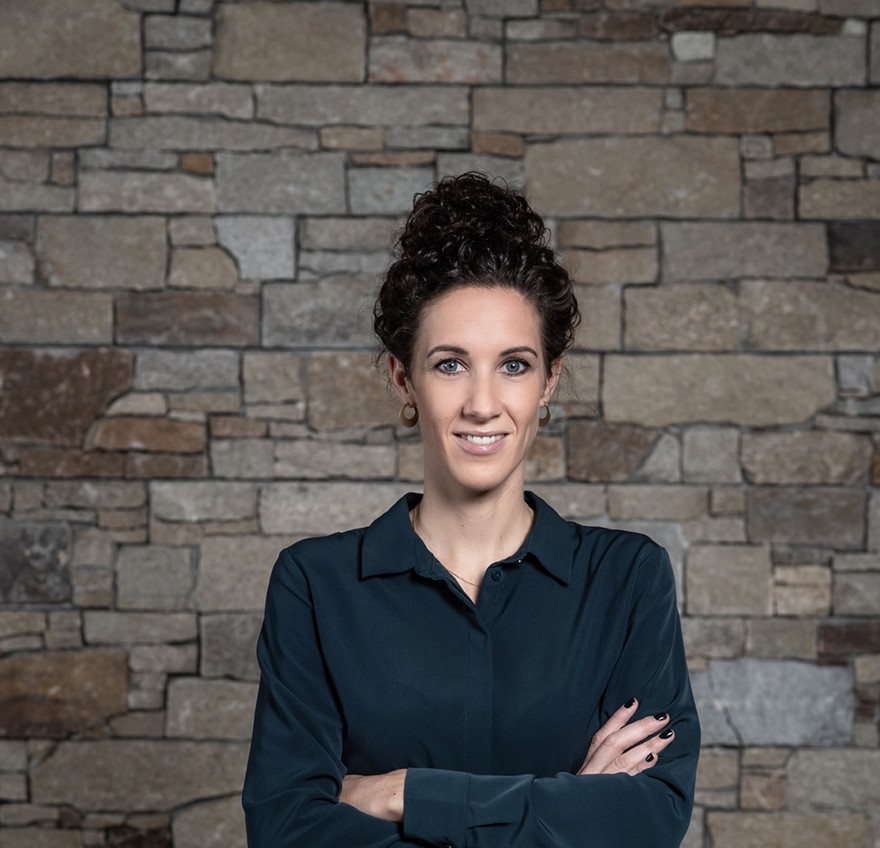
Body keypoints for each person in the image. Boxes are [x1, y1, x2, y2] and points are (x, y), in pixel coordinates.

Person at [242, 172, 700, 847]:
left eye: (513, 365)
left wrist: (405, 793)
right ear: (404, 378)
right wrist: (569, 804)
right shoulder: (315, 586)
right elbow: (286, 830)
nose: (483, 405)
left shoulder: (628, 579)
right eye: (451, 365)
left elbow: (648, 820)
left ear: (549, 381)